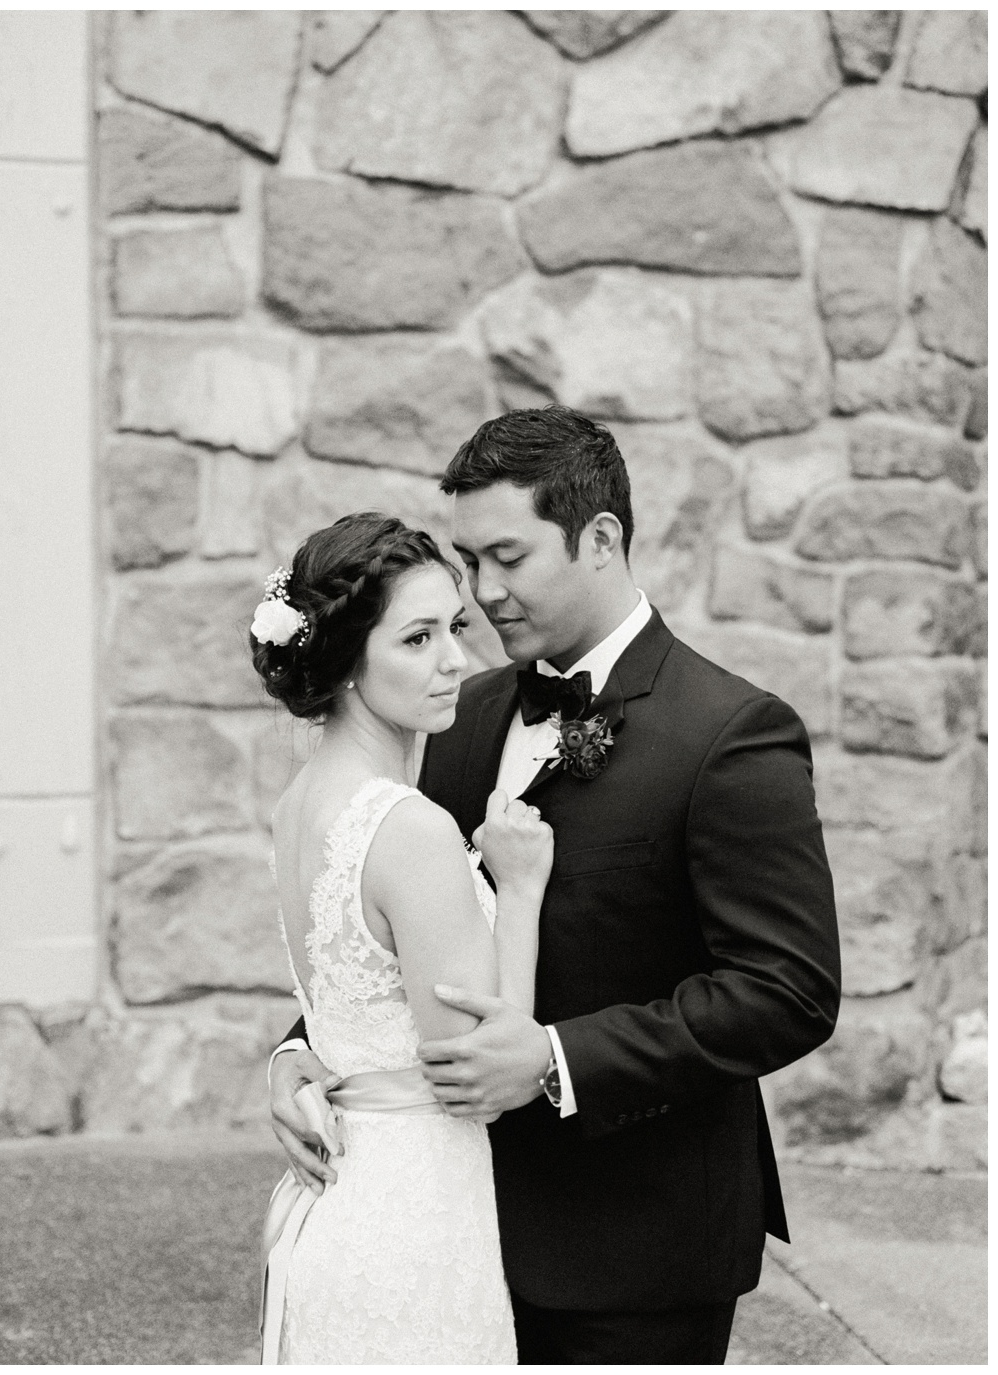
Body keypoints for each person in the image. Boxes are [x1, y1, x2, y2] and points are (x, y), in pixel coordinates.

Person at [269, 407, 840, 1364]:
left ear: (601, 538)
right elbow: (387, 925)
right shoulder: (451, 717)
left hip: (633, 1251)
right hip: (444, 1230)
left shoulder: (733, 734)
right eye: (468, 560)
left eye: (508, 556)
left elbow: (786, 992)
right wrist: (301, 1052)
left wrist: (554, 1059)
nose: (482, 593)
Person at [254, 512, 553, 1363]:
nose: (455, 658)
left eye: (453, 627)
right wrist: (521, 888)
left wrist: (285, 1057)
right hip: (415, 1215)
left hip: (343, 1193)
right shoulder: (409, 827)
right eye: (416, 638)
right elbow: (480, 1070)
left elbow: (342, 1001)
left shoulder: (296, 805)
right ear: (349, 660)